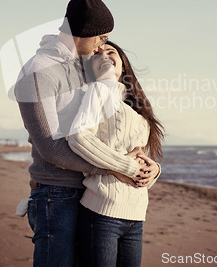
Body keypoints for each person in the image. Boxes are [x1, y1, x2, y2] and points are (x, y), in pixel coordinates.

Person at [14, 0, 160, 267]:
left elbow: (113, 132)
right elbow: (50, 148)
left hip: (88, 195)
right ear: (84, 32)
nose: (102, 46)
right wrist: (115, 168)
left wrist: (146, 165)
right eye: (102, 38)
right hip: (55, 195)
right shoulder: (39, 71)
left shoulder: (84, 68)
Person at [67, 41, 164, 267]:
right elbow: (79, 137)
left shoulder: (137, 108)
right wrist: (128, 168)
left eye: (110, 52)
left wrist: (155, 171)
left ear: (123, 64)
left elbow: (140, 155)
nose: (103, 55)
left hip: (136, 215)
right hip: (102, 212)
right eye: (97, 54)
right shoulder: (98, 90)